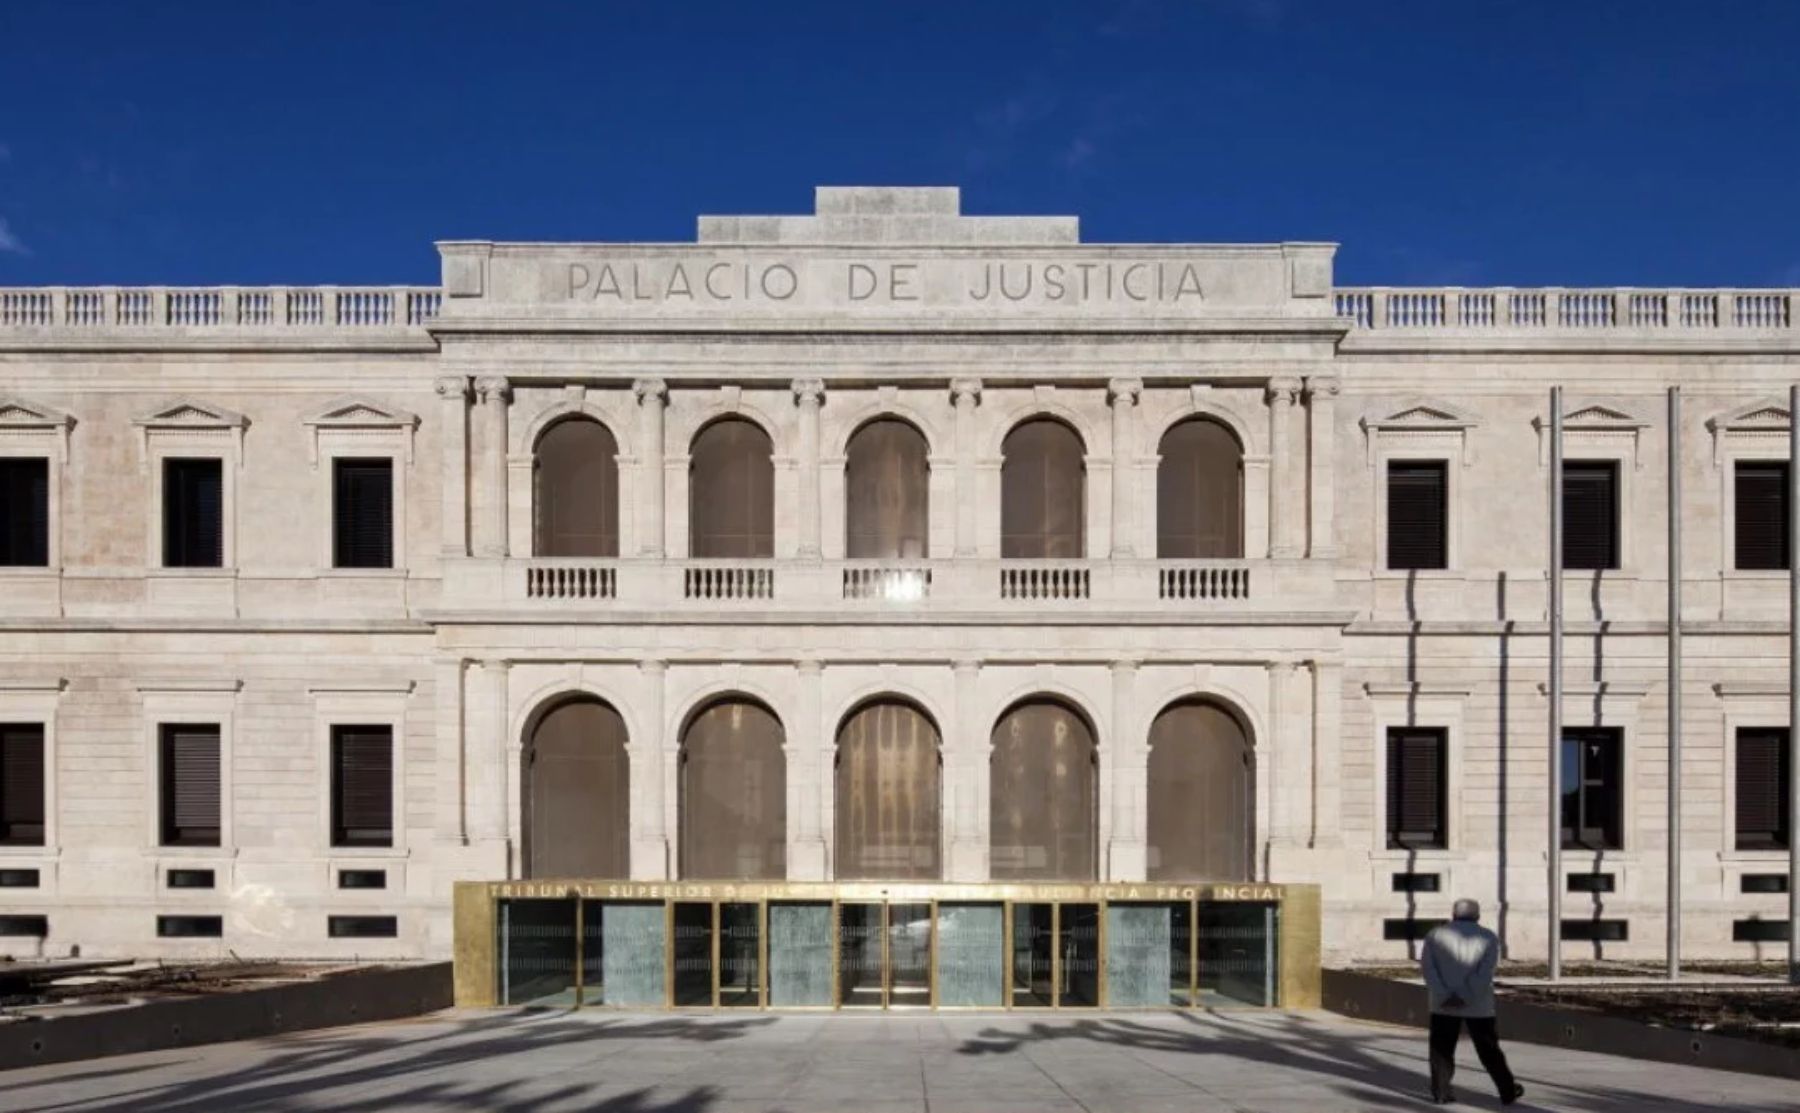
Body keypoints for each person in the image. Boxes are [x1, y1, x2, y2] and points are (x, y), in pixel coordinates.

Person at [1419, 899, 1525, 1106]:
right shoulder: (1488, 937)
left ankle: (1441, 1092)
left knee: (1441, 1050)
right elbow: (1484, 974)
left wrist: (1446, 995)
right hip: (1479, 1006)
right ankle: (1507, 1090)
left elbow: (1429, 970)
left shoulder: (1434, 935)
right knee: (1489, 1050)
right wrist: (1465, 996)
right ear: (1477, 916)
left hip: (1443, 1005)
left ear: (1453, 914)